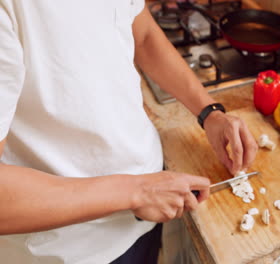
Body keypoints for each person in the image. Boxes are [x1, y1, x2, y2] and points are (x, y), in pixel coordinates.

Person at [0, 1, 258, 263]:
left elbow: (142, 33)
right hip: (70, 249)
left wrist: (209, 112)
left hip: (145, 209)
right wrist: (136, 191)